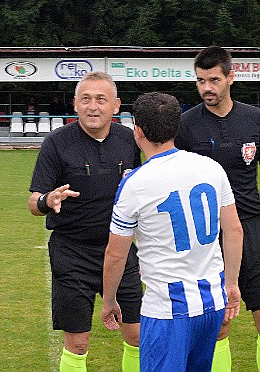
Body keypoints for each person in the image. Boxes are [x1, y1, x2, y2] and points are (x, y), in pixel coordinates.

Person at [101, 91, 243, 372]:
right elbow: (234, 229)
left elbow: (116, 255)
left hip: (168, 308)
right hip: (211, 302)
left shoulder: (136, 184)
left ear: (137, 131)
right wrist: (232, 284)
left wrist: (109, 301)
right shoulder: (211, 168)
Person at [28, 71, 142, 372]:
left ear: (116, 106)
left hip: (120, 252)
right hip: (72, 253)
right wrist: (47, 200)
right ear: (75, 104)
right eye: (86, 99)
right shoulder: (56, 142)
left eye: (101, 100)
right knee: (78, 342)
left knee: (138, 335)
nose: (93, 106)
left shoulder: (130, 140)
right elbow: (33, 202)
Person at [174, 45, 260, 371]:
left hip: (252, 229)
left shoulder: (255, 119)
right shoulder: (185, 126)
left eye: (213, 80)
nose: (206, 88)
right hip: (206, 236)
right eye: (200, 81)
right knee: (218, 324)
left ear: (230, 78)